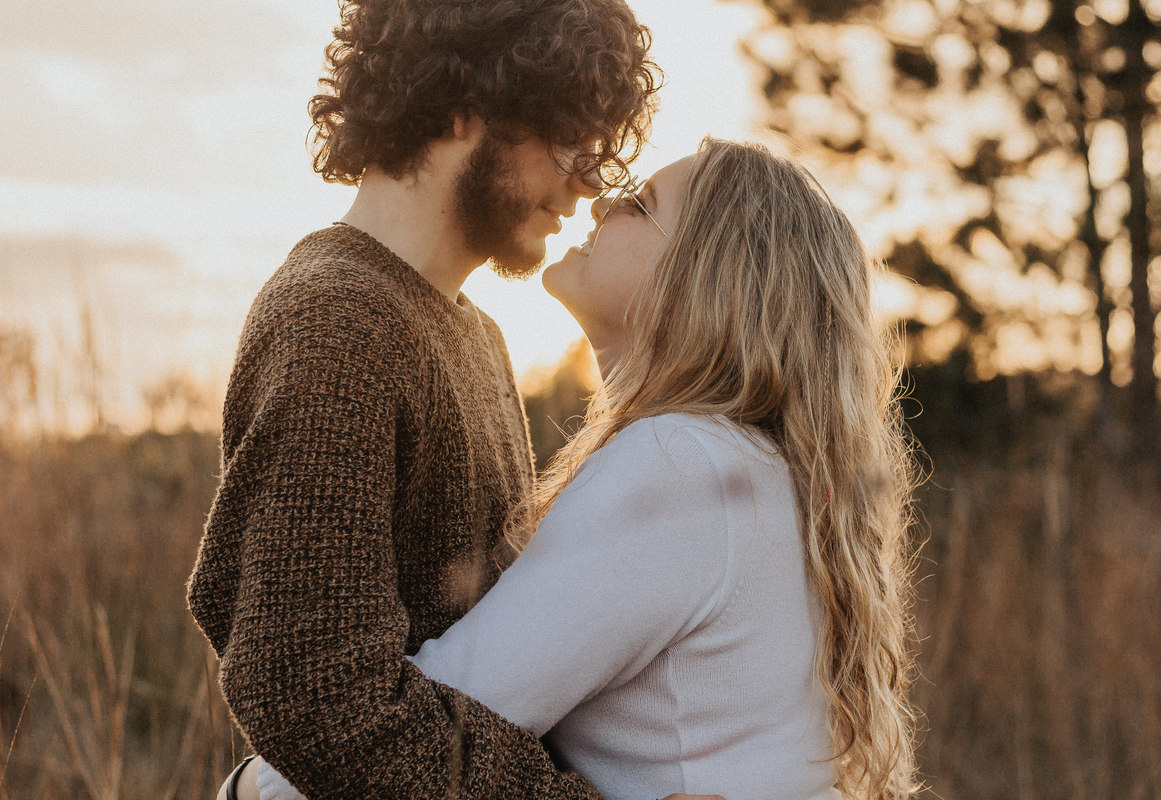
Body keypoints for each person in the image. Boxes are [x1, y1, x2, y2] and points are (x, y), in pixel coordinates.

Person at [254, 138, 921, 800]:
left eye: (640, 203)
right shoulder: (752, 467)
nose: (601, 203)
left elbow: (412, 733)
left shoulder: (680, 464)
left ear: (707, 277)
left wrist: (249, 789)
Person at [184, 1, 727, 799]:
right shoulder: (336, 321)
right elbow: (313, 693)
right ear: (466, 103)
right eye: (569, 135)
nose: (588, 181)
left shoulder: (474, 334)